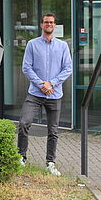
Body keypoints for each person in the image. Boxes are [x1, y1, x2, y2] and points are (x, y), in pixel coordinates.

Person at [17, 13, 72, 176]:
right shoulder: (32, 45)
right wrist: (41, 84)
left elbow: (67, 68)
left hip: (54, 94)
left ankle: (50, 162)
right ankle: (21, 157)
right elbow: (26, 67)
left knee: (53, 130)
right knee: (24, 123)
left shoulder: (62, 46)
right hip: (35, 93)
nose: (49, 24)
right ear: (41, 25)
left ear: (55, 25)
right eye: (46, 22)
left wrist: (51, 83)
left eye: (52, 22)